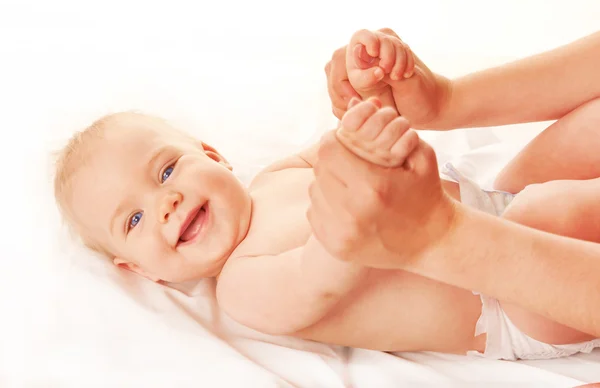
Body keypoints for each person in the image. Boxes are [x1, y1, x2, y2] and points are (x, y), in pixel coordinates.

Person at [53, 28, 598, 362]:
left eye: (167, 171)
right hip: (512, 305)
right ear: (141, 271)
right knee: (554, 211)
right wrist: (355, 211)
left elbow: (355, 143)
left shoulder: (277, 176)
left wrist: (368, 99)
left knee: (585, 130)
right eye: (134, 220)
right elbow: (324, 270)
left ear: (212, 155)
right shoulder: (242, 286)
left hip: (494, 199)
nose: (165, 203)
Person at [316, 27, 600, 345]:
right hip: (514, 210)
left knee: (546, 216)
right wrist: (444, 100)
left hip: (545, 296)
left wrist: (439, 236)